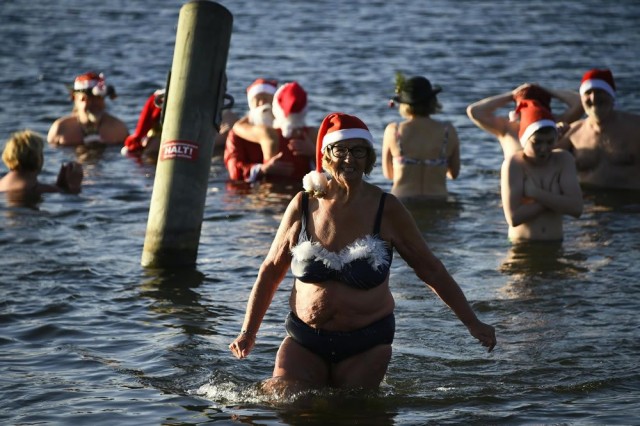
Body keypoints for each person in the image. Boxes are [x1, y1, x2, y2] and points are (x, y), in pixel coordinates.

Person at [229, 112, 496, 395]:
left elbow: (431, 269)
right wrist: (248, 332)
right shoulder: (304, 204)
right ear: (326, 155)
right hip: (304, 339)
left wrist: (472, 322)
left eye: (358, 151)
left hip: (366, 344)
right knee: (286, 399)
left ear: (369, 158)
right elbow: (271, 270)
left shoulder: (387, 208)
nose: (349, 158)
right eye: (340, 150)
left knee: (353, 410)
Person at [500, 100, 583, 242]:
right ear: (525, 139)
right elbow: (514, 218)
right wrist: (557, 200)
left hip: (555, 244)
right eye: (537, 142)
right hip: (522, 246)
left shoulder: (563, 159)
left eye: (549, 142)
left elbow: (576, 209)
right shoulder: (514, 164)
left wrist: (536, 194)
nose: (544, 148)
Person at [557, 68, 640, 190]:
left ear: (611, 96)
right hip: (587, 200)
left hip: (628, 200)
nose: (594, 98)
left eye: (600, 92)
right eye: (588, 93)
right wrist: (554, 135)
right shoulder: (573, 132)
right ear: (581, 99)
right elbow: (541, 162)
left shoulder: (635, 127)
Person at [382, 73, 461, 199]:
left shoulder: (393, 130)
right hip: (438, 200)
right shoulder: (448, 130)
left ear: (404, 104)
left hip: (403, 201)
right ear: (432, 102)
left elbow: (389, 175)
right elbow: (454, 174)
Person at [225, 80, 315, 184]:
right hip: (253, 188)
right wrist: (262, 169)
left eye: (267, 99)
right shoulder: (237, 134)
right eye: (257, 100)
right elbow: (234, 170)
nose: (262, 104)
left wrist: (313, 153)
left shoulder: (300, 134)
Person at [467, 82, 584, 160]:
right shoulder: (508, 128)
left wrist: (546, 90)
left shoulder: (555, 124)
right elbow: (475, 111)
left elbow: (580, 102)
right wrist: (514, 94)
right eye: (525, 106)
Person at [47, 71, 129, 146]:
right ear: (75, 99)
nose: (94, 103)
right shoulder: (60, 130)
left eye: (98, 98)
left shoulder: (119, 129)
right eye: (87, 99)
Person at [1, 130, 83, 203]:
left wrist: (61, 185)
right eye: (41, 153)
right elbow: (71, 197)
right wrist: (74, 186)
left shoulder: (2, 183)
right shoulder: (35, 188)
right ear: (36, 157)